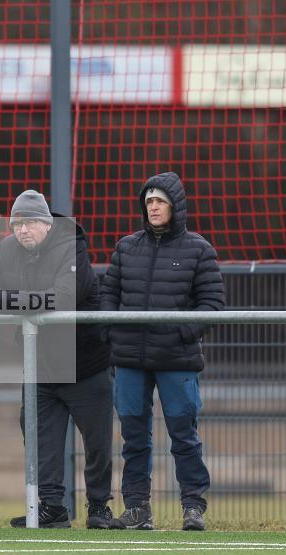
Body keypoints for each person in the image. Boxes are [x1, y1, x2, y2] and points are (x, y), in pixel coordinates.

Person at [0, 190, 115, 529]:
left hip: (85, 363)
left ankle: (99, 507)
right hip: (40, 365)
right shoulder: (8, 250)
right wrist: (33, 302)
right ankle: (51, 507)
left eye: (29, 223)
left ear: (46, 224)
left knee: (97, 441)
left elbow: (65, 297)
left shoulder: (71, 244)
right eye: (16, 224)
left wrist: (14, 300)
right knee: (39, 439)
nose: (22, 231)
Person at [100, 172, 225, 531]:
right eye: (149, 201)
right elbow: (108, 295)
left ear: (175, 207)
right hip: (130, 361)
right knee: (133, 438)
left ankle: (192, 507)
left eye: (160, 201)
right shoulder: (126, 247)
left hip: (176, 360)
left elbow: (212, 304)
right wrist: (112, 334)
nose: (153, 207)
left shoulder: (199, 249)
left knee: (184, 435)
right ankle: (137, 509)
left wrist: (181, 334)